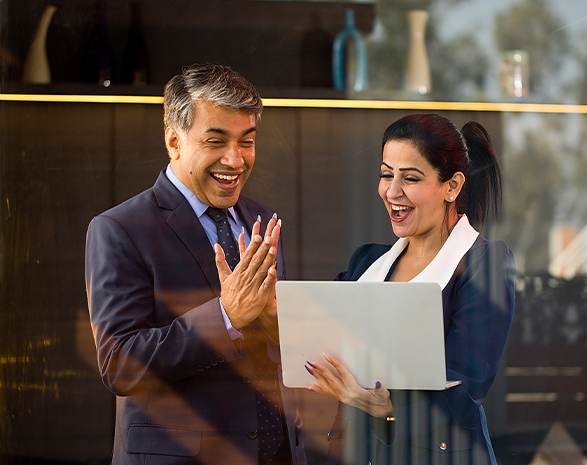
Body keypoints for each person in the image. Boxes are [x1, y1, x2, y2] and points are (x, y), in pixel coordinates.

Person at [85, 63, 306, 465]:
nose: (235, 160)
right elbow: (120, 364)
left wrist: (277, 320)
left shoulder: (263, 219)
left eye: (247, 141)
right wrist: (225, 316)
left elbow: (281, 349)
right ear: (174, 141)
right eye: (216, 141)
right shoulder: (119, 229)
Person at [304, 113, 516, 464]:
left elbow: (465, 383)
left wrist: (389, 408)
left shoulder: (482, 264)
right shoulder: (366, 263)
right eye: (386, 174)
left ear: (452, 186)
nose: (391, 191)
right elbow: (317, 332)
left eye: (411, 178)